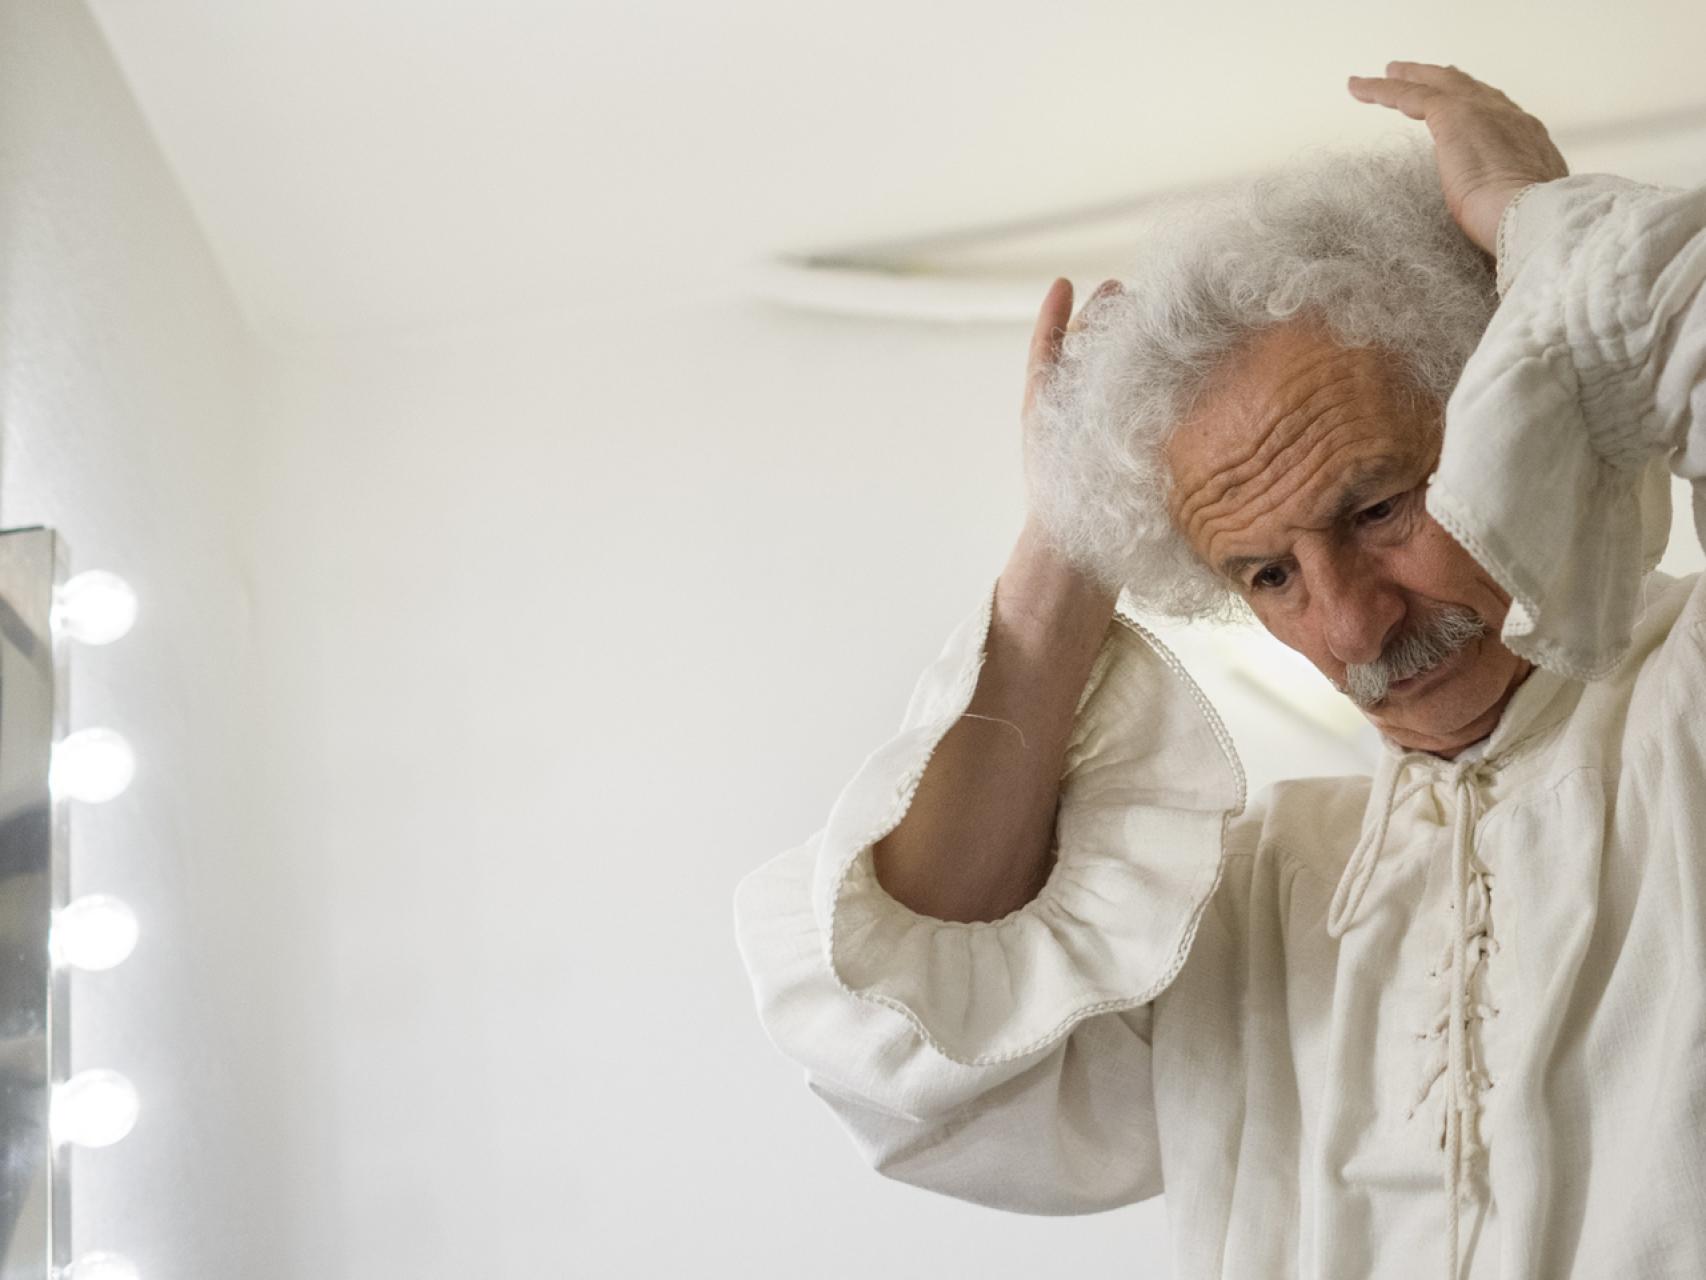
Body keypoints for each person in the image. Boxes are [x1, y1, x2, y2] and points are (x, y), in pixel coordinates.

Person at [732, 61, 1706, 1279]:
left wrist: (1532, 228)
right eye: (1265, 575)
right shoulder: (1249, 904)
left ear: (1508, 415)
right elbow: (911, 1047)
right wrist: (1070, 539)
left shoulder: (1685, 708)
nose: (1350, 628)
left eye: (1378, 506)